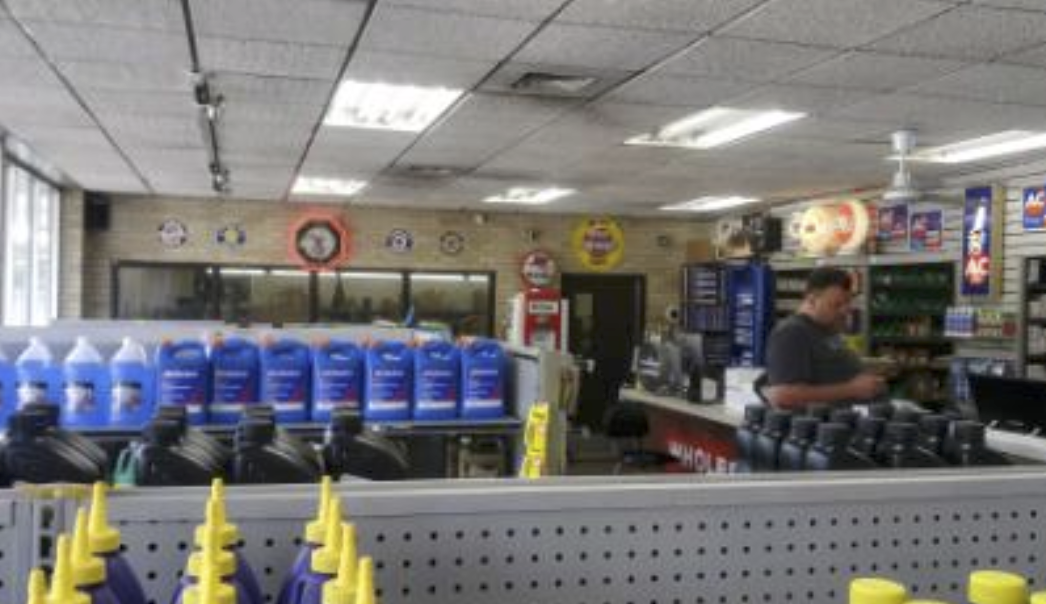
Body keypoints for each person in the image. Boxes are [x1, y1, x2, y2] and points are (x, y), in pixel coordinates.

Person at [765, 267, 886, 409]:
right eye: (837, 305)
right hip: (823, 427)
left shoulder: (827, 327)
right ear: (812, 300)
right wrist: (853, 389)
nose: (845, 311)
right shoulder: (791, 332)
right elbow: (783, 396)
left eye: (848, 302)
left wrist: (870, 367)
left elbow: (826, 366)